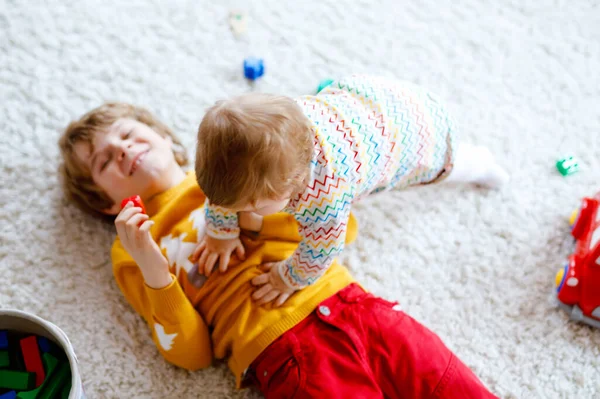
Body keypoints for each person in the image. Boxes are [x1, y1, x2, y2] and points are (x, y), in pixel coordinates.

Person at [58, 102, 499, 398]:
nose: (121, 151)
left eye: (128, 135)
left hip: (356, 307)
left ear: (167, 141)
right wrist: (154, 267)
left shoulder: (240, 164)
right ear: (107, 203)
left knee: (454, 386)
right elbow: (190, 355)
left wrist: (248, 210)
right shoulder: (132, 247)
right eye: (102, 161)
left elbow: (341, 230)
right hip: (282, 352)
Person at [194, 75, 509, 306]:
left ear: (291, 186)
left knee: (453, 166)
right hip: (370, 98)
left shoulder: (323, 199)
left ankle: (483, 166)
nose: (241, 211)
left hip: (417, 137)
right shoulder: (283, 126)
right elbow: (227, 189)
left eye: (250, 206)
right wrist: (220, 231)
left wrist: (286, 278)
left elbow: (321, 250)